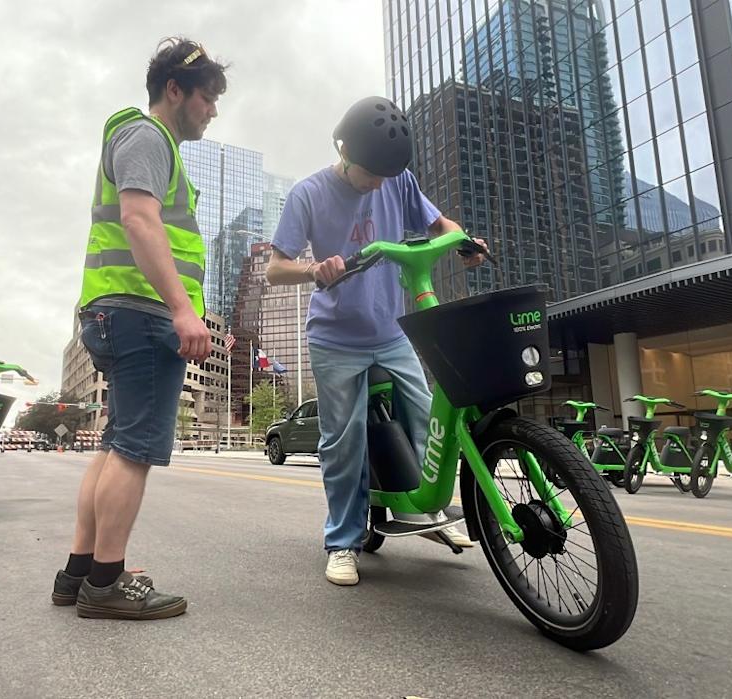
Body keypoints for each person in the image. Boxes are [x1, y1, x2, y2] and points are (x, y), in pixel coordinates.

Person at [266, 96, 489, 586]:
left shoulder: (397, 178)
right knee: (343, 442)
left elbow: (439, 224)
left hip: (391, 332)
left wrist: (465, 241)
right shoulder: (308, 193)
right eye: (371, 174)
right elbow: (275, 267)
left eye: (387, 176)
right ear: (342, 151)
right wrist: (312, 268)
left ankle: (423, 511)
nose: (379, 185)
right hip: (335, 338)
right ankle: (343, 542)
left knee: (428, 417)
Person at [53, 37, 227, 620]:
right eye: (207, 97)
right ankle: (105, 583)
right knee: (134, 451)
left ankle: (80, 572)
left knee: (113, 445)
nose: (212, 110)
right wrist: (183, 310)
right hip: (141, 312)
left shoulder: (148, 143)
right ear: (175, 90)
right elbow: (138, 219)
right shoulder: (148, 137)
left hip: (119, 310)